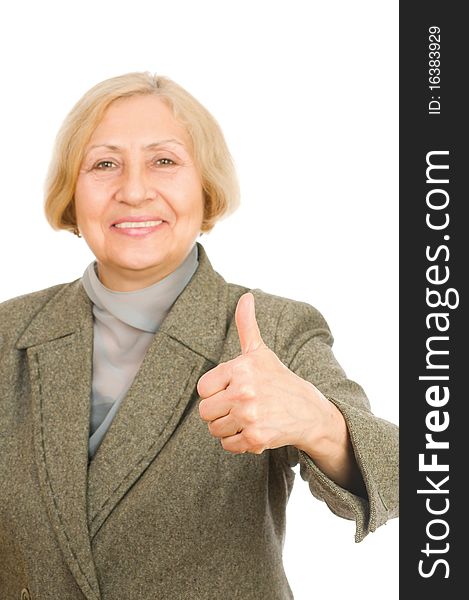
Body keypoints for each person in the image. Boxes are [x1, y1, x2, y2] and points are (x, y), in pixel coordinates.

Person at [0, 72, 398, 600]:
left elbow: (404, 471)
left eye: (164, 161)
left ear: (206, 188)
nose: (134, 189)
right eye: (104, 164)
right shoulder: (9, 334)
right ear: (71, 195)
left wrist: (319, 423)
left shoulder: (274, 328)